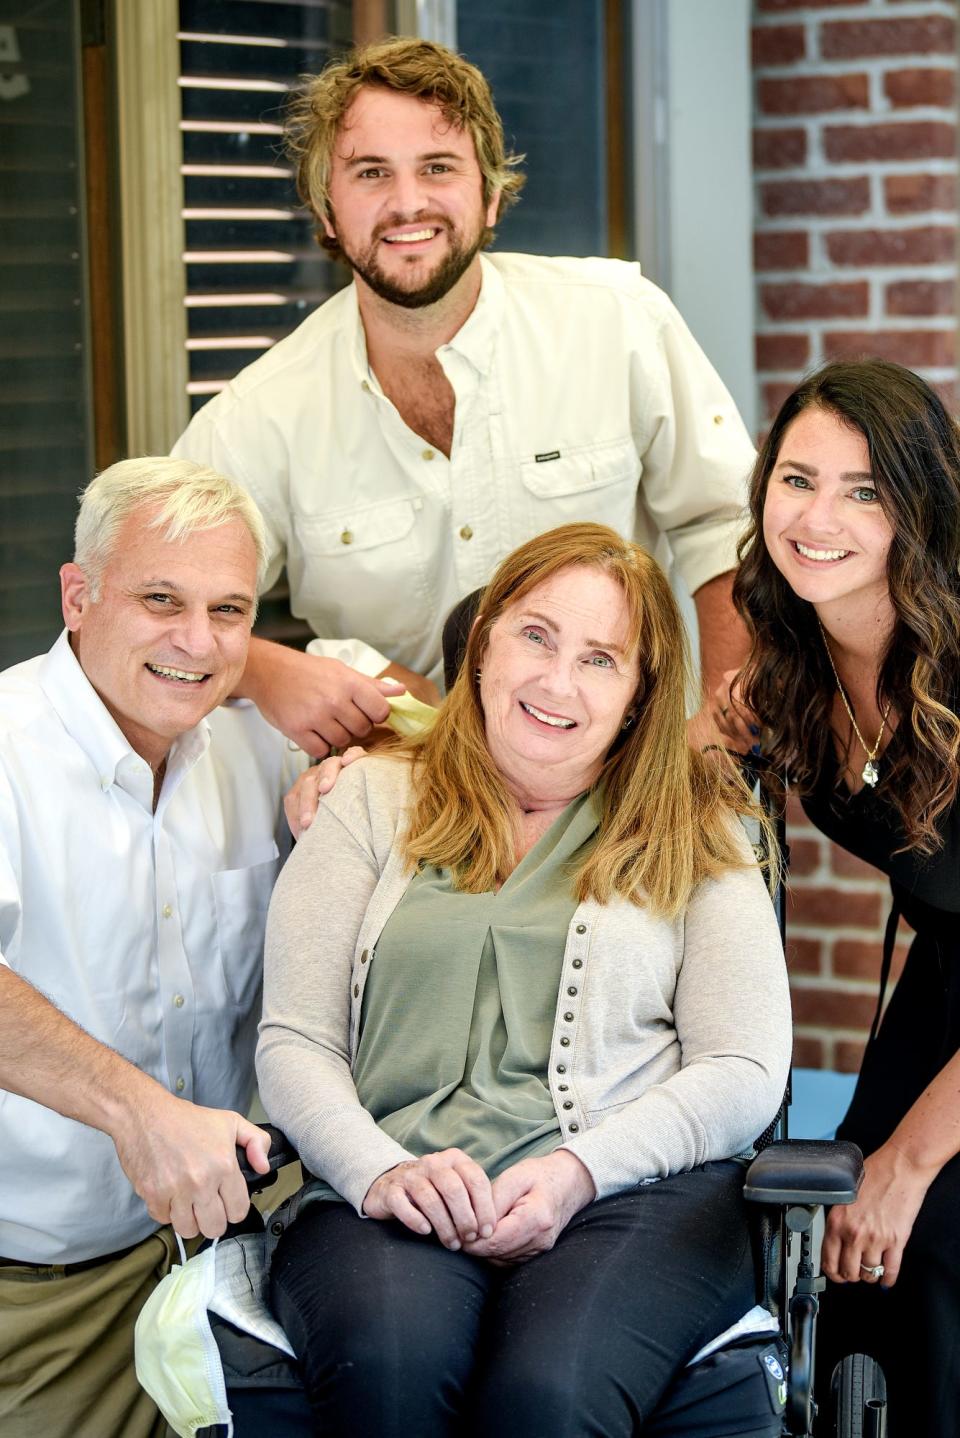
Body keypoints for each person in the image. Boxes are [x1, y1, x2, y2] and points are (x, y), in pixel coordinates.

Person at [256, 522, 792, 1436]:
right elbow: (297, 1038)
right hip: (395, 1186)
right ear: (484, 645)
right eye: (536, 636)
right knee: (389, 1366)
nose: (556, 683)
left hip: (634, 1194)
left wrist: (579, 1171)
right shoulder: (372, 799)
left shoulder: (703, 828)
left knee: (548, 1393)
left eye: (600, 659)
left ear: (639, 696)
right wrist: (381, 1172)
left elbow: (744, 1066)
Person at [173, 36, 756, 759]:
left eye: (438, 167)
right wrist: (262, 667)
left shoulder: (618, 321)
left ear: (488, 195)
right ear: (326, 209)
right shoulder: (260, 414)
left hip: (632, 776)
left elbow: (724, 525)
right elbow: (153, 598)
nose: (407, 202)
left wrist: (721, 740)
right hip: (406, 795)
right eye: (370, 172)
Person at [0, 458, 309, 1438]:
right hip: (43, 1294)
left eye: (229, 609)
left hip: (238, 1259)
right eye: (161, 600)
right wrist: (139, 1112)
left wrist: (360, 780)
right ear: (79, 595)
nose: (198, 641)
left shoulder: (262, 751)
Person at [713, 360, 960, 1437]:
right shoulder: (794, 665)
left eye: (864, 491)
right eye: (797, 479)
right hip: (949, 975)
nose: (818, 518)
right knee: (834, 1239)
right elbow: (647, 768)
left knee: (928, 1228)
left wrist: (915, 1159)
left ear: (920, 509)